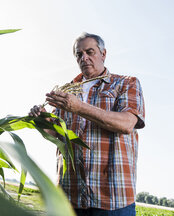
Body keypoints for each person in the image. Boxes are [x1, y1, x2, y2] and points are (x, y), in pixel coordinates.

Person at [29, 32, 145, 216]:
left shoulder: (126, 83)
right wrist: (42, 121)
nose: (84, 57)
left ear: (103, 54)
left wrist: (79, 107)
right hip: (69, 197)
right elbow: (56, 136)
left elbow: (126, 124)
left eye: (90, 52)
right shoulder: (66, 91)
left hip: (113, 199)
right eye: (79, 54)